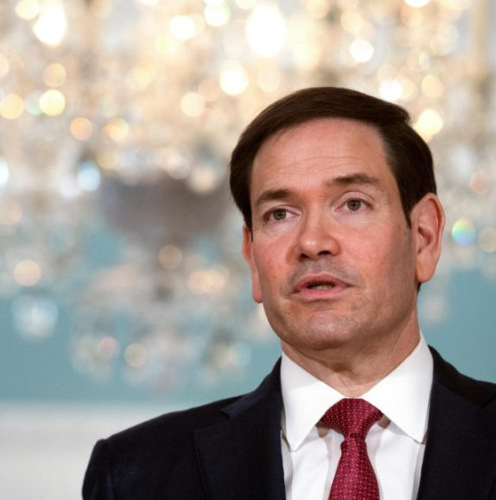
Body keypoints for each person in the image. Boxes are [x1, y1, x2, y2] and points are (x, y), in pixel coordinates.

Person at [82, 87, 496, 500]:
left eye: (353, 204)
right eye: (280, 214)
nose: (312, 242)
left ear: (423, 237)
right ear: (252, 258)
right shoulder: (135, 475)